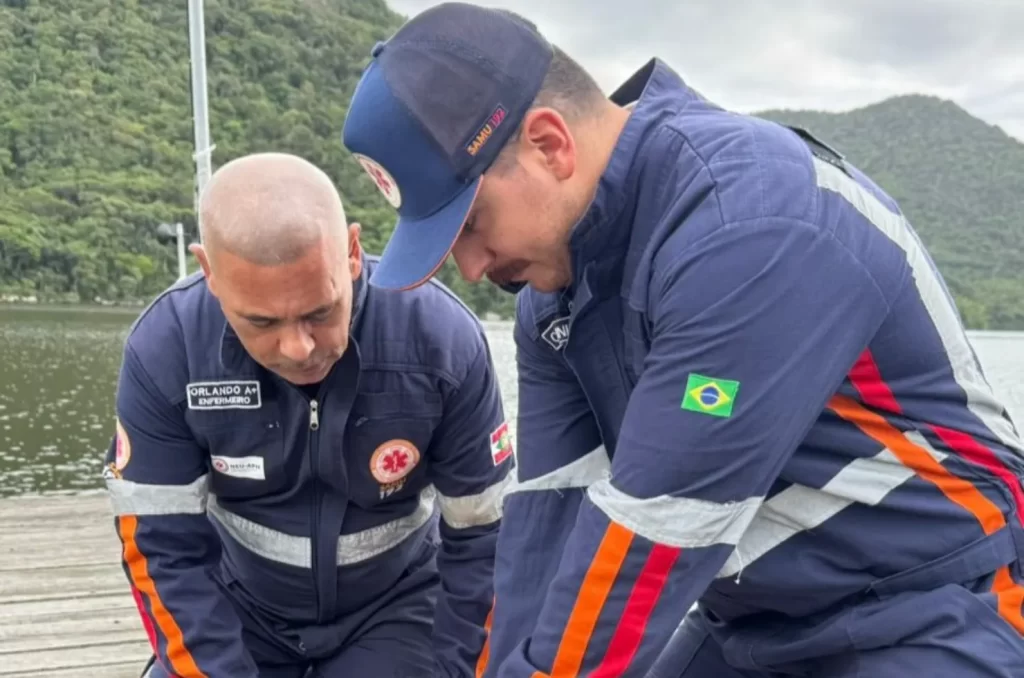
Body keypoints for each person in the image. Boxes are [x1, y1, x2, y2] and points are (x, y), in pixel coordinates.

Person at [340, 3, 1024, 677]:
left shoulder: (750, 227)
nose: (472, 268)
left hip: (938, 603)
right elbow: (546, 528)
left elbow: (654, 537)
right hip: (754, 624)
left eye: (470, 223)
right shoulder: (553, 297)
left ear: (550, 144)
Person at [101, 152, 513, 678]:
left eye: (321, 312)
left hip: (395, 612)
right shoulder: (167, 349)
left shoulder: (441, 342)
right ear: (209, 272)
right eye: (262, 321)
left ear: (352, 253)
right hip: (241, 608)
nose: (298, 349)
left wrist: (455, 669)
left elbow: (485, 538)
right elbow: (162, 547)